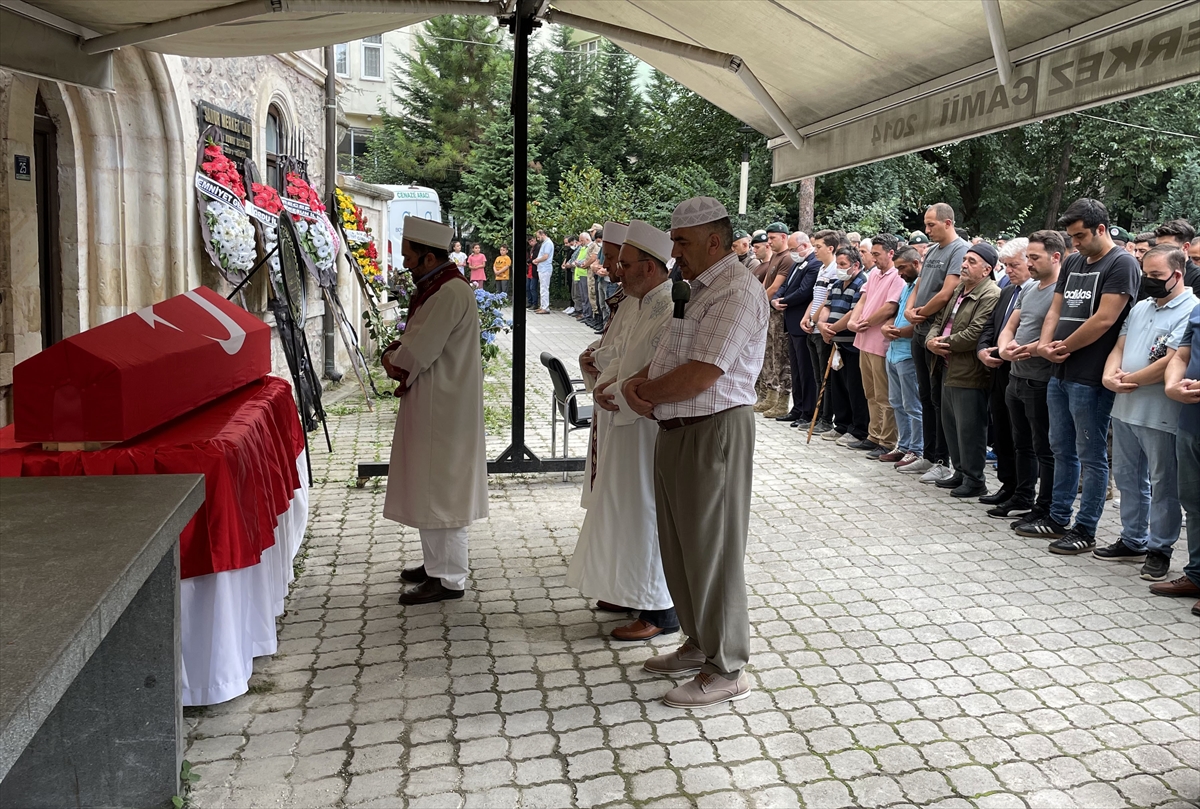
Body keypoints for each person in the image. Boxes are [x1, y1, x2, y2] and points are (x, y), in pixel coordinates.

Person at [622, 196, 768, 709]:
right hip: (680, 427)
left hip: (714, 430)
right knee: (681, 546)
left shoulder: (735, 291)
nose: (674, 251)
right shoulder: (697, 288)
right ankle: (700, 643)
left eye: (681, 241)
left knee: (714, 551)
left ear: (713, 240)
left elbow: (705, 372)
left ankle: (728, 666)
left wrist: (644, 394)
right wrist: (641, 384)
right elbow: (672, 355)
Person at [570, 221, 679, 641]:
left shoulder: (669, 306)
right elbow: (622, 354)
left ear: (649, 268)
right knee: (623, 512)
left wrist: (611, 387)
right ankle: (628, 589)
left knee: (644, 514)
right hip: (623, 423)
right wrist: (603, 376)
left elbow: (655, 367)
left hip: (645, 427)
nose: (614, 268)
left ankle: (659, 610)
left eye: (625, 263)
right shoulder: (642, 300)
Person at [1018, 199, 1140, 554]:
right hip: (1060, 368)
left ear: (1101, 229)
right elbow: (1056, 307)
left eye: (1081, 236)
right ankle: (1057, 518)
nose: (1075, 244)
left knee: (1091, 452)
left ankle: (1085, 529)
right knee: (1061, 447)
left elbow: (1105, 319)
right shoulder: (1072, 261)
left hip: (1090, 374)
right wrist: (1044, 345)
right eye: (1071, 237)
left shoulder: (1122, 263)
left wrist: (1064, 346)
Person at [382, 219, 487, 605]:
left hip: (443, 407)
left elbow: (416, 352)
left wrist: (390, 356)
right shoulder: (443, 288)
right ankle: (435, 566)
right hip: (438, 402)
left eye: (411, 258)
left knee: (445, 494)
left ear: (429, 257)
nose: (407, 265)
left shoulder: (446, 294)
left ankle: (449, 579)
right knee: (432, 488)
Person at [1097, 244, 1196, 580]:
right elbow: (1120, 346)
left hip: (1160, 413)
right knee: (1127, 478)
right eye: (1145, 274)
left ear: (1177, 275)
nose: (1148, 281)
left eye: (1156, 276)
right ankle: (1132, 537)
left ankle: (1160, 547)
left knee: (1162, 483)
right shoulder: (1140, 307)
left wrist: (1131, 381)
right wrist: (1110, 375)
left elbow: (1173, 358)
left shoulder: (1190, 308)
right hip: (1125, 408)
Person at [997, 231, 1064, 525]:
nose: (1029, 263)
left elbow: (1059, 335)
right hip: (1016, 375)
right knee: (1020, 442)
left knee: (1043, 447)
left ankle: (1045, 505)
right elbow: (1012, 323)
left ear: (1055, 257)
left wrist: (1030, 349)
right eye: (1029, 257)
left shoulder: (1061, 291)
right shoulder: (1030, 289)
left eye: (1034, 258)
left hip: (1040, 379)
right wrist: (1004, 348)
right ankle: (1022, 495)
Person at [926, 243, 1001, 497]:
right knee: (951, 424)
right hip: (947, 365)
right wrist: (930, 341)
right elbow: (940, 320)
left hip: (969, 370)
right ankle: (959, 471)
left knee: (969, 426)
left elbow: (974, 334)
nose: (964, 264)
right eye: (965, 259)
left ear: (986, 269)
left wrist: (941, 343)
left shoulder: (990, 293)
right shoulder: (959, 288)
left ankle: (975, 478)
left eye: (972, 261)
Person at [908, 204, 970, 484]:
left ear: (948, 223)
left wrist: (921, 313)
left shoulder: (959, 250)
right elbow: (918, 285)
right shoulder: (931, 250)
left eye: (931, 225)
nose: (927, 230)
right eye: (926, 224)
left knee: (937, 398)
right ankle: (929, 454)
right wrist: (911, 310)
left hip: (936, 329)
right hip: (919, 328)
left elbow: (947, 292)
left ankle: (943, 460)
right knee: (924, 395)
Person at [578, 223, 632, 518]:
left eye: (612, 259)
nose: (606, 266)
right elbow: (613, 338)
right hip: (609, 402)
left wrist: (597, 357)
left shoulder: (646, 300)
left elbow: (630, 348)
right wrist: (592, 352)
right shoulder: (627, 296)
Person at [977, 238, 1032, 508]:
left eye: (1014, 265)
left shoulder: (1035, 294)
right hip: (998, 369)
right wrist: (983, 350)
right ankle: (1007, 484)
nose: (1008, 271)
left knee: (1020, 435)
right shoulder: (1008, 292)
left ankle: (1023, 491)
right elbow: (991, 327)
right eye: (1006, 265)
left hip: (1021, 369)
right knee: (1001, 430)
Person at [1154, 295, 1200, 615]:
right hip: (1191, 423)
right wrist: (1171, 386)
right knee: (1194, 503)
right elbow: (1181, 354)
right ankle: (1197, 575)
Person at [848, 233, 904, 458]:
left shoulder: (896, 276)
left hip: (880, 342)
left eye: (877, 254)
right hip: (863, 340)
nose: (874, 258)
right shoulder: (873, 274)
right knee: (870, 392)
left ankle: (887, 439)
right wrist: (854, 320)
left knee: (884, 394)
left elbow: (891, 307)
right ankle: (873, 435)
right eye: (873, 254)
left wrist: (866, 322)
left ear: (891, 253)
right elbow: (862, 299)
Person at [818, 248, 871, 447]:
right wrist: (822, 326)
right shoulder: (837, 283)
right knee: (838, 386)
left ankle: (858, 429)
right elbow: (827, 306)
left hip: (852, 343)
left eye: (843, 265)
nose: (839, 268)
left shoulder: (862, 283)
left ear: (855, 265)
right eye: (838, 264)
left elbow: (853, 313)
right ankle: (841, 424)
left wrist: (832, 329)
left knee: (855, 388)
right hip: (836, 342)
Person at [773, 233, 821, 427]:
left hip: (802, 322)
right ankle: (798, 407)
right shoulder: (797, 263)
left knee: (805, 370)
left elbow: (804, 291)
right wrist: (776, 298)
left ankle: (808, 411)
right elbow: (785, 285)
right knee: (796, 370)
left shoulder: (813, 264)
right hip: (791, 322)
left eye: (793, 250)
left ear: (804, 246)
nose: (792, 253)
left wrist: (783, 301)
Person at [881, 248, 923, 467]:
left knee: (912, 404)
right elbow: (897, 316)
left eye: (902, 268)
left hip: (908, 353)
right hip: (893, 352)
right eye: (896, 268)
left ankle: (917, 449)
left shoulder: (922, 286)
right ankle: (904, 444)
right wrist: (888, 328)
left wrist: (895, 331)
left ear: (916, 263)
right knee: (897, 402)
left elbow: (919, 325)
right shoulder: (907, 286)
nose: (899, 273)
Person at [802, 230, 843, 434]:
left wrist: (815, 319)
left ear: (831, 248)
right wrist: (806, 316)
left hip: (822, 329)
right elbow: (816, 296)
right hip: (813, 327)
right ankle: (817, 418)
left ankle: (826, 419)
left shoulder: (835, 269)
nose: (815, 250)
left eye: (818, 247)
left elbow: (828, 300)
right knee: (817, 375)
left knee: (825, 377)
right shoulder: (822, 269)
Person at [759, 223, 797, 419]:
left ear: (784, 237)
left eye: (772, 238)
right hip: (769, 311)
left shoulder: (788, 258)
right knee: (770, 354)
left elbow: (775, 287)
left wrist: (760, 303)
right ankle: (770, 394)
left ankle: (782, 400)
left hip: (779, 314)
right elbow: (766, 283)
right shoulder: (775, 256)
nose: (769, 241)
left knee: (781, 357)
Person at [1153, 219, 1200, 296]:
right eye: (1157, 247)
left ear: (1185, 247)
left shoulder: (1197, 277)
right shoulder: (1150, 273)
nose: (1160, 250)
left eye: (1166, 246)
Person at [533, 229, 554, 314]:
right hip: (542, 268)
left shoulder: (548, 243)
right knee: (542, 288)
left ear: (543, 234)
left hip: (545, 268)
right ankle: (542, 306)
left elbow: (545, 256)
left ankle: (545, 307)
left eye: (538, 237)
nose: (538, 239)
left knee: (544, 288)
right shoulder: (545, 243)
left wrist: (537, 260)